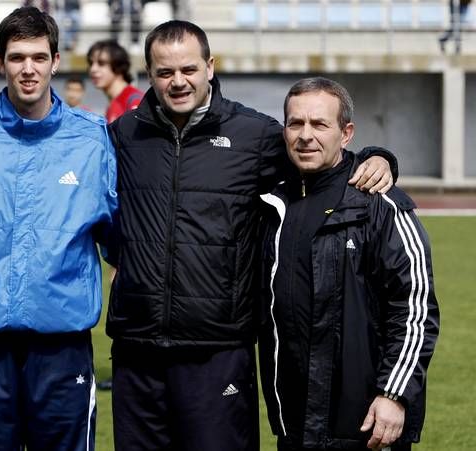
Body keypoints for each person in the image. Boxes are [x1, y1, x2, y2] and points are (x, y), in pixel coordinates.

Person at [105, 21, 396, 451]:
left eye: (188, 68)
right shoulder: (123, 135)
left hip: (218, 352)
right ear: (149, 74)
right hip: (137, 351)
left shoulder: (255, 135)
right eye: (165, 72)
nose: (178, 81)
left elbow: (323, 156)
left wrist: (379, 158)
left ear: (210, 66)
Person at [0, 7, 117, 450]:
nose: (28, 69)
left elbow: (120, 238)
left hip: (62, 349)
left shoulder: (92, 139)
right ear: (0, 61)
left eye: (39, 57)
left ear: (56, 61)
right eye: (17, 57)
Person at [259, 76, 439, 451]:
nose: (305, 135)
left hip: (366, 423)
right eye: (296, 123)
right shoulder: (273, 204)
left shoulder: (380, 203)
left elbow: (415, 309)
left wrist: (394, 393)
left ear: (346, 133)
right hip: (293, 423)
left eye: (320, 124)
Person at [87, 39, 143, 123]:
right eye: (91, 63)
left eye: (101, 63)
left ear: (118, 66)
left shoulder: (134, 100)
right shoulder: (113, 104)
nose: (93, 69)